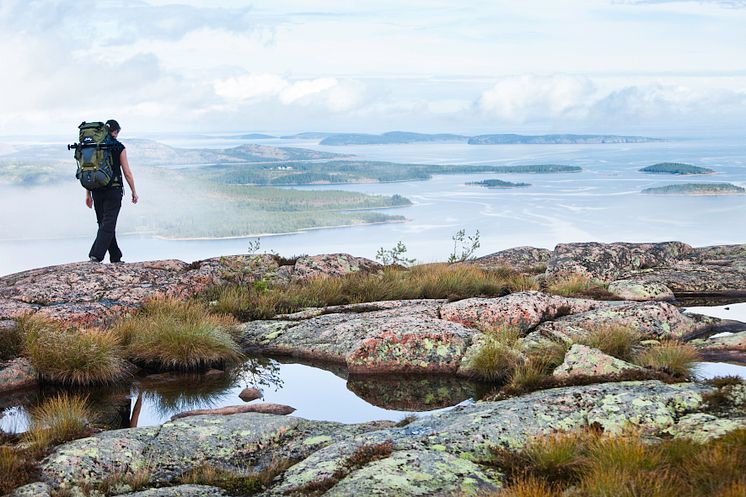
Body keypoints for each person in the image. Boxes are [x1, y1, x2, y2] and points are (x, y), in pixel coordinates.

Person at [86, 119, 139, 263]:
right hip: (113, 190)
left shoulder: (95, 146)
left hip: (96, 189)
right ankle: (96, 255)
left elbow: (89, 169)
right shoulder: (118, 147)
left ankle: (115, 256)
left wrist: (88, 193)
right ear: (115, 132)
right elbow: (127, 172)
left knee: (104, 224)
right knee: (108, 224)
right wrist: (133, 191)